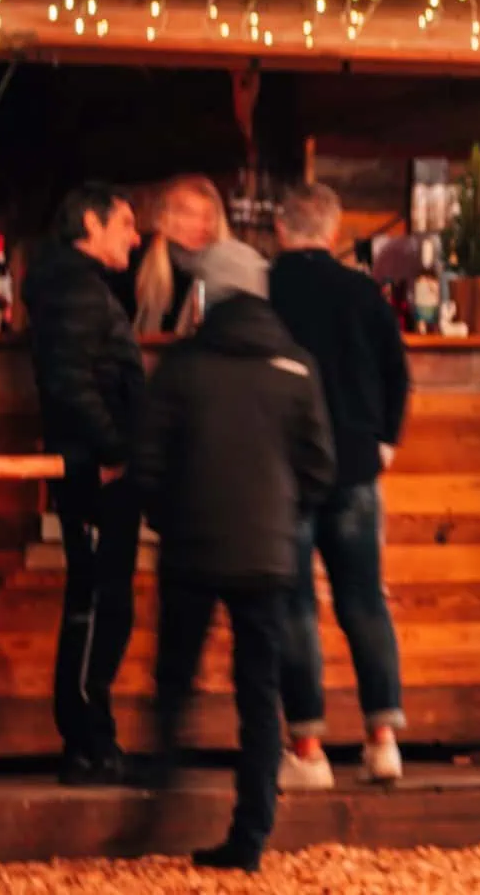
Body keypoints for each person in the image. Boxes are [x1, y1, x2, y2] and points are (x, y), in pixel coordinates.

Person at [134, 239, 335, 874]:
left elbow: (147, 460)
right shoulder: (296, 365)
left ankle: (153, 805)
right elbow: (320, 467)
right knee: (259, 695)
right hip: (267, 555)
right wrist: (284, 517)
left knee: (174, 680)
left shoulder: (182, 366)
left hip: (189, 549)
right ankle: (250, 835)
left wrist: (166, 518)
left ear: (208, 295)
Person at [266, 183, 411, 790]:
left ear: (280, 229)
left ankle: (308, 750)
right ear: (333, 231)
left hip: (287, 467)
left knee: (296, 606)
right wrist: (384, 441)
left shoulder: (265, 290)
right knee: (364, 601)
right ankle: (383, 742)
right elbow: (397, 373)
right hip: (355, 464)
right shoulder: (363, 291)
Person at [23, 181, 146, 786]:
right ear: (91, 225)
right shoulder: (75, 287)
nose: (136, 238)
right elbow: (69, 381)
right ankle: (87, 738)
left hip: (96, 466)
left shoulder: (70, 283)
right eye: (125, 223)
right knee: (98, 603)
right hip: (97, 471)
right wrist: (114, 449)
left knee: (100, 601)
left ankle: (91, 734)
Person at [128, 174, 225, 337]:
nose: (200, 225)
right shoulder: (137, 258)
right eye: (189, 214)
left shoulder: (224, 270)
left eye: (207, 216)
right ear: (164, 217)